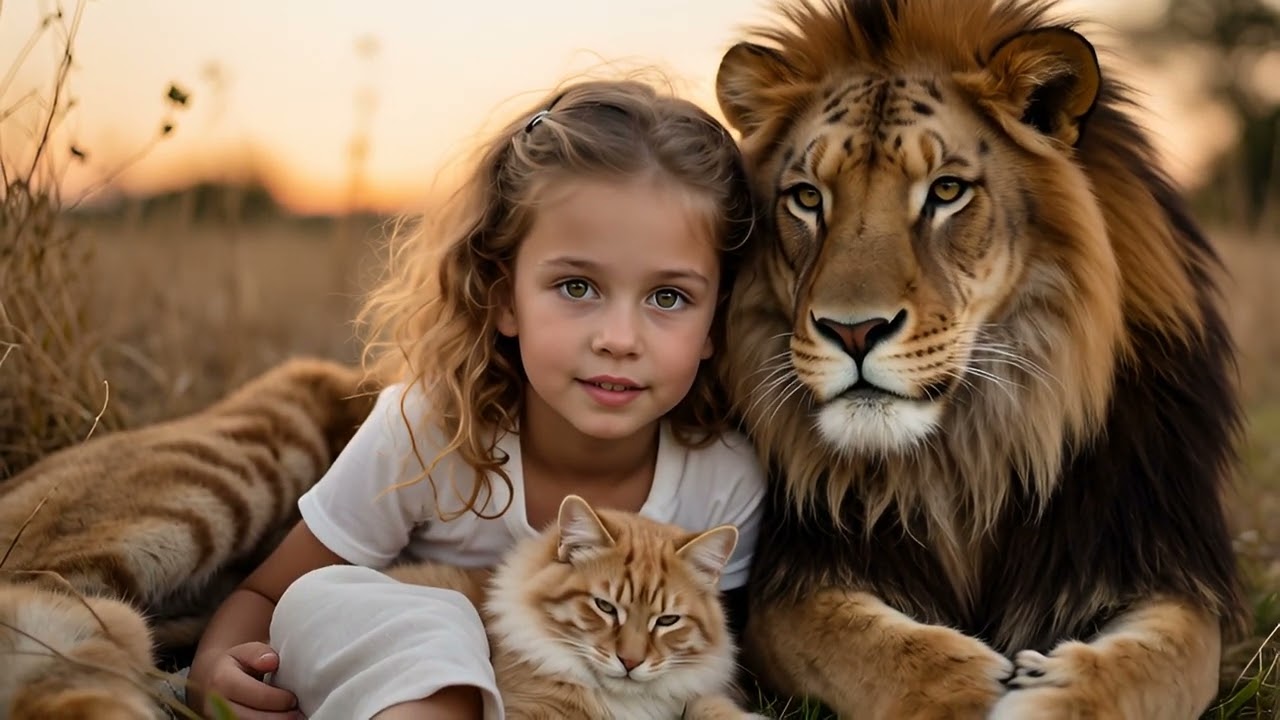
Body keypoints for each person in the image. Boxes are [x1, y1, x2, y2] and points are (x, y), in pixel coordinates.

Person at [186, 76, 764, 720]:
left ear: (717, 322)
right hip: (400, 662)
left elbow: (704, 659)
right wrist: (213, 668)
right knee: (432, 619)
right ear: (502, 296)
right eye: (577, 287)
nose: (619, 340)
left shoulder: (723, 477)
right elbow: (274, 595)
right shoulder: (423, 429)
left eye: (668, 297)